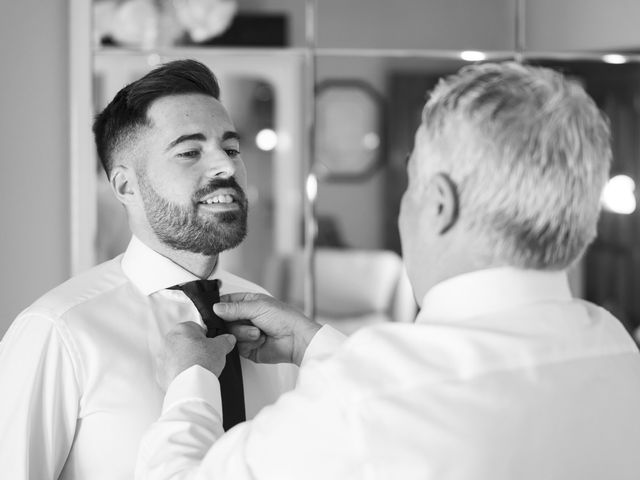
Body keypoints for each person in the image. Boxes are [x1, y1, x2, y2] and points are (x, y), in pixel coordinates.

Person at [135, 62, 640, 480]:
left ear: (439, 204)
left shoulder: (373, 393)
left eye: (412, 182)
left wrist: (190, 380)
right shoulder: (617, 349)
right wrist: (320, 347)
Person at [0, 59, 297, 480]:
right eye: (190, 152)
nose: (227, 167)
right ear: (126, 186)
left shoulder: (273, 324)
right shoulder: (58, 331)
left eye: (231, 149)